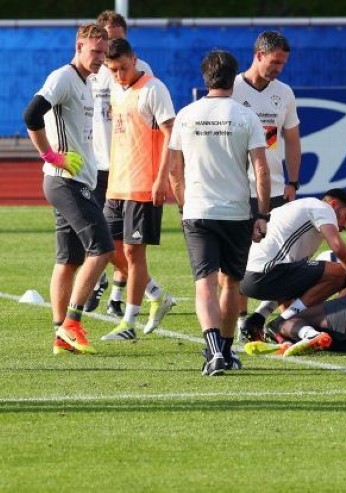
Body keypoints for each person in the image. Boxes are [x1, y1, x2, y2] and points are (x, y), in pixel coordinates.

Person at [169, 49, 271, 375]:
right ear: (233, 79)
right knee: (231, 284)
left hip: (198, 209)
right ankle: (225, 351)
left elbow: (174, 170)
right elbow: (261, 170)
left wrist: (184, 204)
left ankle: (214, 352)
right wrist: (262, 215)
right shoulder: (246, 116)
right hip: (237, 212)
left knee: (205, 283)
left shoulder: (186, 114)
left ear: (205, 78)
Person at [22, 24, 114, 355]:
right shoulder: (63, 77)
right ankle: (72, 324)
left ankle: (60, 335)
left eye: (104, 53)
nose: (100, 58)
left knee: (69, 260)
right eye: (95, 52)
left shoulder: (88, 81)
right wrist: (51, 155)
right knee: (102, 249)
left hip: (73, 181)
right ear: (79, 47)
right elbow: (31, 114)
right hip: (65, 181)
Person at [98, 38, 176, 340]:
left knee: (133, 252)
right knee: (104, 247)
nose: (119, 74)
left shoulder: (153, 89)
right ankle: (157, 294)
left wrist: (161, 178)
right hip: (117, 183)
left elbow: (171, 134)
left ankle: (128, 323)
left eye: (123, 68)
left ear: (135, 60)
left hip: (143, 184)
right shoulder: (116, 89)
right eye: (113, 69)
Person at [239, 189, 346, 352]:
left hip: (246, 278)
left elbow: (293, 280)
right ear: (334, 204)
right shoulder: (322, 208)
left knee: (308, 280)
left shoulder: (300, 212)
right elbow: (338, 247)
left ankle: (257, 319)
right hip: (265, 274)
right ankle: (279, 324)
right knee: (338, 273)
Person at [230, 31, 302, 341]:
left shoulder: (284, 93)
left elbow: (292, 139)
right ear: (258, 55)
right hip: (237, 190)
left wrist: (293, 181)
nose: (279, 69)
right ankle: (239, 323)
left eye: (283, 64)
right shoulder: (230, 89)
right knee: (238, 261)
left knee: (279, 260)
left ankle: (274, 324)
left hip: (274, 190)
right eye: (274, 62)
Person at [85, 10, 155, 317]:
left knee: (126, 241)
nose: (112, 45)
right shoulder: (90, 70)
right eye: (107, 38)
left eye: (117, 38)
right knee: (97, 234)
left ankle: (115, 296)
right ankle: (142, 291)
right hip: (95, 164)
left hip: (129, 168)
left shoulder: (142, 71)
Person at [245, 281, 346, 357]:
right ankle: (288, 343)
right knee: (328, 338)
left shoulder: (337, 274)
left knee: (282, 323)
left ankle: (307, 335)